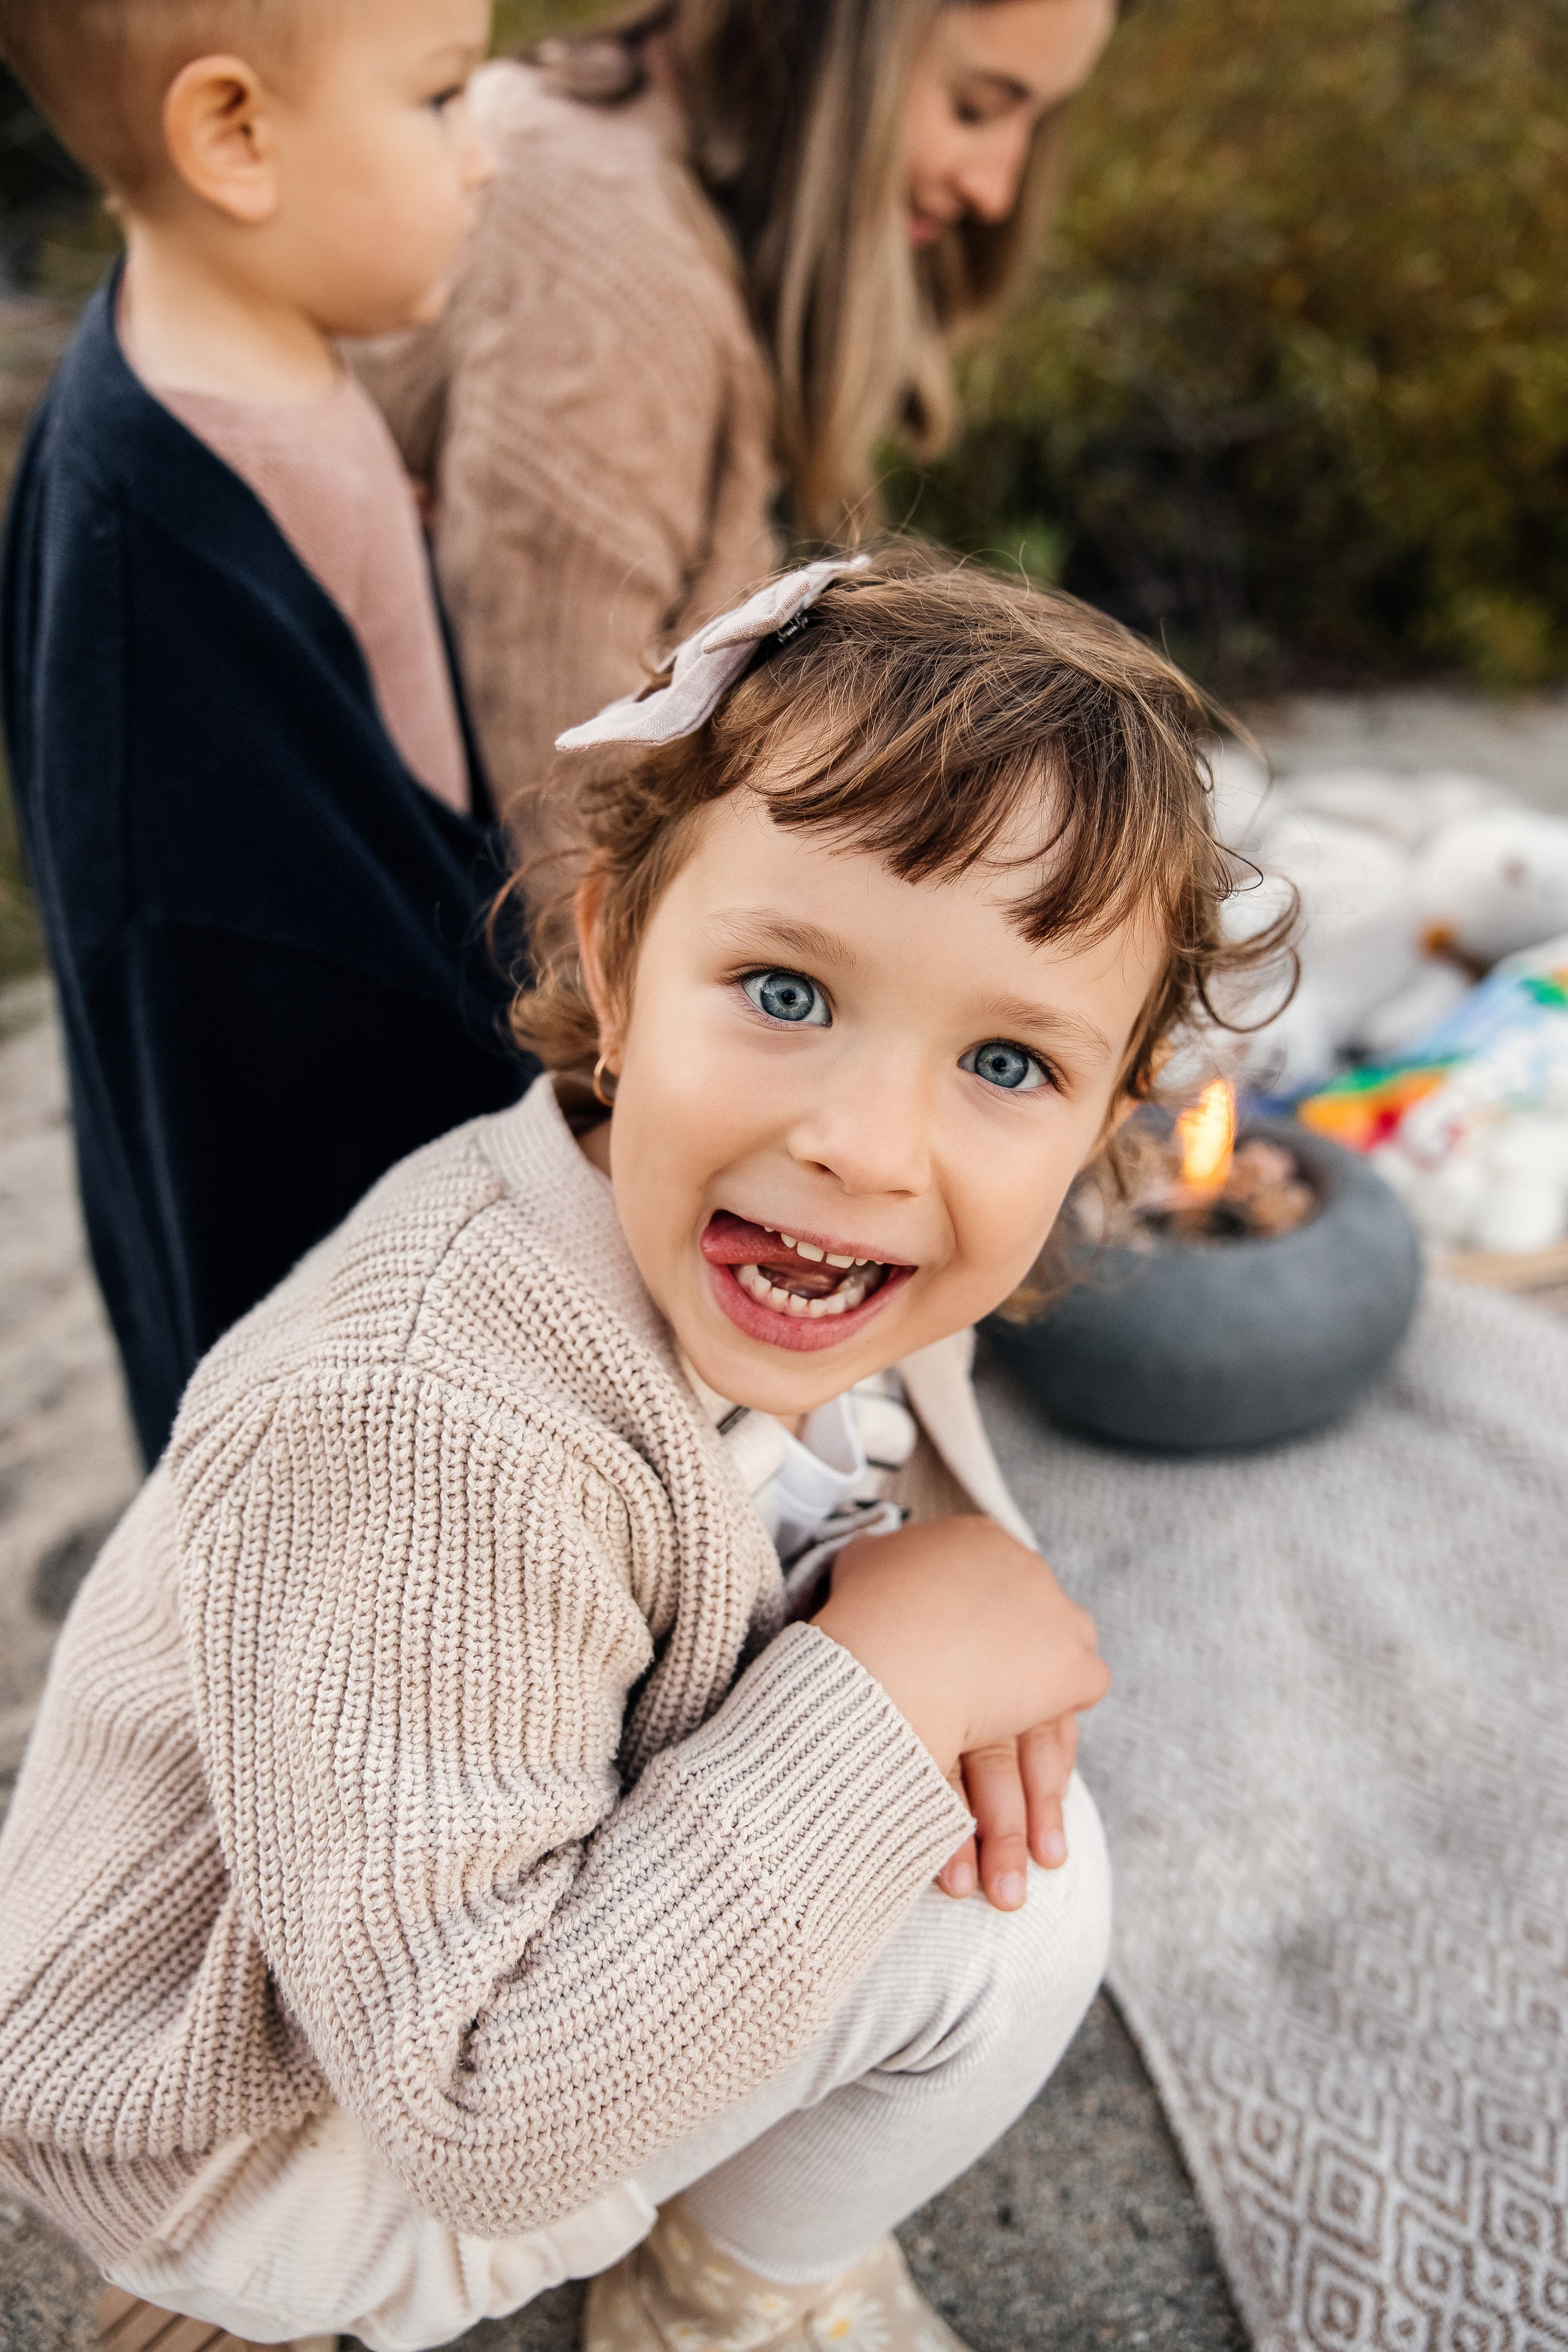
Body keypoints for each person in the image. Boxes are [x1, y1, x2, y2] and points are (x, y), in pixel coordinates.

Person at [0, 554, 1289, 2352]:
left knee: (974, 1805)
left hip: (451, 1967)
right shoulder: (427, 1415)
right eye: (784, 991)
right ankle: (708, 2301)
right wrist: (887, 1677)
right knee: (1022, 1904)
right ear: (613, 959)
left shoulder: (778, 1240)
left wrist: (922, 1608)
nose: (863, 1141)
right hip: (265, 2135)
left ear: (1103, 1118)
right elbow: (470, 2112)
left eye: (1006, 1061)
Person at [0, 0, 534, 1470]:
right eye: (437, 100)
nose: (481, 157)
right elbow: (272, 1028)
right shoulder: (150, 547)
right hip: (348, 1310)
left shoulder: (244, 359)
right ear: (234, 137)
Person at [353, 0, 1118, 863]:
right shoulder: (610, 274)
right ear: (836, 39)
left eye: (1037, 119)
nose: (995, 191)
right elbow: (568, 850)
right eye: (976, 107)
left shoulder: (629, 163)